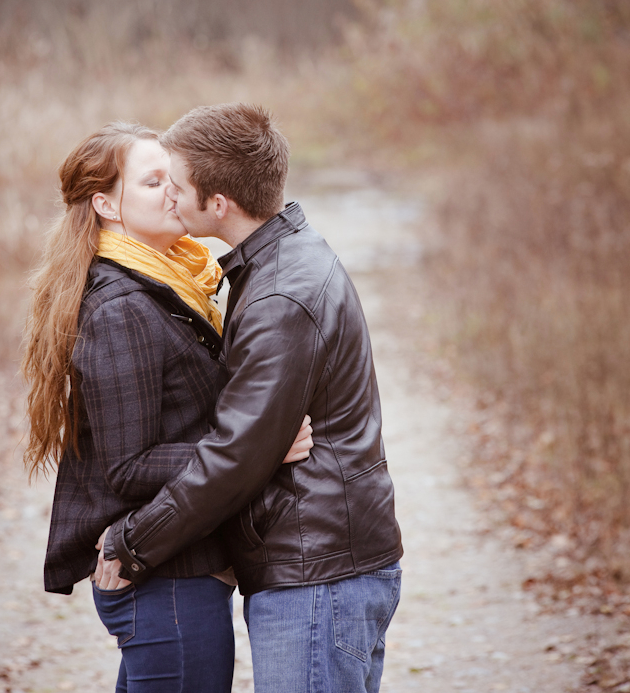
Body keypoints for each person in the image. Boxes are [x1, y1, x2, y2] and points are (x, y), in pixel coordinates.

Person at [98, 103, 403, 693]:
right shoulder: (277, 264)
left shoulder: (279, 295)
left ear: (219, 204)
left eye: (179, 187)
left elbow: (235, 457)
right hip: (324, 568)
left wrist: (132, 544)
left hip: (315, 575)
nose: (171, 199)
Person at [21, 121, 312, 693]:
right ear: (106, 204)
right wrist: (258, 450)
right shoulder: (120, 307)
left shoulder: (176, 281)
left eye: (173, 178)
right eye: (154, 182)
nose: (173, 192)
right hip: (165, 584)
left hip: (179, 571)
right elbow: (127, 466)